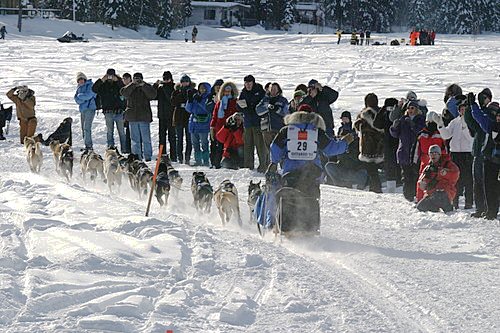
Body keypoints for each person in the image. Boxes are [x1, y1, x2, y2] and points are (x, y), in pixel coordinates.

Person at [267, 105, 352, 233]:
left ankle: (280, 226)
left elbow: (275, 149)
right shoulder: (317, 132)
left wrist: (274, 162)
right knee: (310, 197)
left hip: (290, 173)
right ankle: (310, 228)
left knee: (285, 196)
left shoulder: (287, 131)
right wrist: (345, 143)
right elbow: (331, 149)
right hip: (312, 174)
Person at [434, 97, 473, 209]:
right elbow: (446, 135)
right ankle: (454, 201)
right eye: (461, 109)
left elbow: (470, 138)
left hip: (467, 153)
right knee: (454, 179)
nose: (463, 111)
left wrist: (465, 124)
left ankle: (468, 202)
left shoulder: (471, 122)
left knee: (468, 180)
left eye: (465, 109)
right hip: (455, 154)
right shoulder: (454, 122)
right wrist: (440, 124)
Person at [470, 91, 499, 220]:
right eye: (497, 115)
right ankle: (491, 211)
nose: (498, 117)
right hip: (490, 160)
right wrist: (473, 104)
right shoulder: (491, 125)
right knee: (488, 187)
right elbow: (479, 117)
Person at [390, 100, 426, 201]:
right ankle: (408, 195)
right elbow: (395, 135)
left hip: (415, 151)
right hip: (404, 151)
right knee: (405, 175)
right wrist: (394, 127)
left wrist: (412, 124)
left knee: (415, 174)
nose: (410, 110)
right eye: (409, 108)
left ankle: (415, 193)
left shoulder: (421, 119)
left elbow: (419, 131)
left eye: (412, 108)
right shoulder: (402, 120)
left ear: (417, 109)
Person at [325, 110, 367, 188]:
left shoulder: (353, 132)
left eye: (346, 118)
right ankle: (339, 183)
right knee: (329, 166)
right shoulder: (340, 130)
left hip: (354, 168)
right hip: (342, 166)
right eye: (343, 118)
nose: (344, 120)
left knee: (363, 172)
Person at [120, 73, 157, 161]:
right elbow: (124, 93)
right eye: (135, 79)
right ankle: (137, 157)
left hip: (144, 117)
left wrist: (143, 85)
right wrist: (132, 85)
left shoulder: (146, 86)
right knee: (135, 140)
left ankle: (148, 157)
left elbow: (153, 95)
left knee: (146, 139)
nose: (137, 81)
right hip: (133, 118)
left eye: (139, 79)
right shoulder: (129, 87)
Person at [353, 93, 385, 193]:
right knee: (374, 168)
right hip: (380, 144)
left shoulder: (363, 114)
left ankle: (375, 188)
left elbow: (358, 127)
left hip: (368, 144)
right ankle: (374, 186)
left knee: (371, 169)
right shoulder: (381, 113)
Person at [415, 111, 448, 201]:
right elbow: (416, 149)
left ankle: (436, 199)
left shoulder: (441, 133)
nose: (430, 124)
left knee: (437, 180)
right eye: (429, 122)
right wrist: (414, 160)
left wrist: (445, 160)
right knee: (422, 180)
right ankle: (420, 199)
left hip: (439, 160)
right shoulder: (421, 134)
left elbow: (445, 148)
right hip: (425, 159)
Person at [416, 145, 459, 213]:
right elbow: (420, 182)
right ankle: (435, 209)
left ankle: (448, 209)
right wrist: (421, 185)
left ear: (439, 154)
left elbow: (455, 174)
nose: (433, 155)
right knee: (420, 207)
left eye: (435, 153)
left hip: (445, 192)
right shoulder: (428, 168)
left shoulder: (448, 164)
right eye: (431, 153)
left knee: (439, 194)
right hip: (432, 194)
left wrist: (446, 173)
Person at [237, 75, 267, 172]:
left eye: (249, 83)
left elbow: (263, 105)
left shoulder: (260, 91)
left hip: (258, 122)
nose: (248, 85)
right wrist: (243, 107)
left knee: (260, 146)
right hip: (248, 123)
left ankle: (263, 165)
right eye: (246, 83)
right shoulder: (243, 93)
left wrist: (253, 108)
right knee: (248, 146)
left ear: (253, 83)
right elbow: (239, 106)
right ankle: (248, 166)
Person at [92, 68, 126, 151]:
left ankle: (125, 150)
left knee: (121, 132)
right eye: (109, 75)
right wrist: (101, 80)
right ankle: (110, 149)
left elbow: (124, 90)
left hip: (119, 111)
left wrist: (117, 81)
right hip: (108, 111)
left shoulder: (118, 83)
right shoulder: (103, 84)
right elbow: (94, 89)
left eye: (112, 75)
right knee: (109, 132)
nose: (110, 78)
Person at [256, 82, 289, 165]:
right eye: (271, 89)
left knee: (280, 149)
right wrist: (267, 108)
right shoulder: (265, 99)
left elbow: (286, 113)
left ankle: (283, 168)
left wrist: (276, 109)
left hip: (279, 129)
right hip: (266, 129)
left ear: (278, 89)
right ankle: (269, 168)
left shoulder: (282, 100)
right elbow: (258, 110)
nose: (273, 91)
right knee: (268, 150)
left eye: (275, 89)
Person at [210, 81, 238, 169]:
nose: (227, 93)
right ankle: (216, 164)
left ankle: (229, 164)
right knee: (217, 148)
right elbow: (214, 116)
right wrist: (212, 127)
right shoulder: (219, 103)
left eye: (229, 91)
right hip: (219, 129)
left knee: (229, 148)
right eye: (225, 91)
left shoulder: (235, 102)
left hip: (230, 130)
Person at [186, 82, 212, 166]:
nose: (202, 90)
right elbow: (189, 109)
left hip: (203, 124)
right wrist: (189, 100)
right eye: (200, 88)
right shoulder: (195, 97)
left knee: (204, 144)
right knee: (195, 144)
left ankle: (206, 161)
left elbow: (207, 109)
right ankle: (198, 161)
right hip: (194, 123)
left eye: (204, 88)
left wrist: (200, 101)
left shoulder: (209, 98)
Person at [172, 74, 195, 164]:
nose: (185, 83)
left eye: (186, 81)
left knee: (189, 139)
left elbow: (194, 102)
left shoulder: (193, 91)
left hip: (189, 117)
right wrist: (180, 94)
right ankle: (180, 158)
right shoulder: (176, 91)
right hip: (178, 117)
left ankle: (187, 157)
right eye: (183, 82)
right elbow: (173, 102)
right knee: (179, 139)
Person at [153, 71, 176, 159]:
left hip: (171, 116)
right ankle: (162, 155)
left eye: (167, 79)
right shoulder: (160, 88)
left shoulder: (174, 87)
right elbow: (153, 96)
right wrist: (155, 85)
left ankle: (173, 156)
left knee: (172, 137)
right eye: (164, 79)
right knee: (161, 137)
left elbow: (171, 99)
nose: (166, 80)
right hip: (162, 116)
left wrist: (165, 86)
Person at [74, 72, 96, 151]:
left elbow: (88, 95)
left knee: (87, 127)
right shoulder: (79, 88)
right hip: (83, 109)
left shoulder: (90, 85)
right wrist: (82, 98)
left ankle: (89, 146)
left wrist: (81, 97)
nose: (81, 81)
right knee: (83, 128)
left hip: (90, 108)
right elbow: (76, 100)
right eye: (79, 80)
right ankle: (86, 145)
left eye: (82, 79)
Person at [121, 73, 132, 154]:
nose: (125, 80)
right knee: (127, 131)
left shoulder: (132, 87)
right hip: (124, 112)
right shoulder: (122, 88)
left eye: (126, 78)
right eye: (124, 78)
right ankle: (127, 149)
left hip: (132, 112)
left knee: (132, 132)